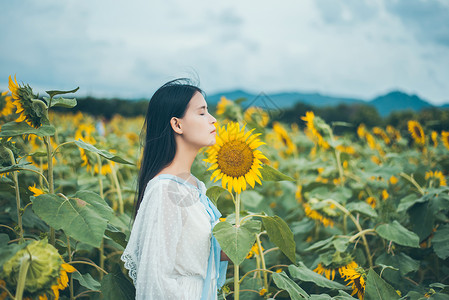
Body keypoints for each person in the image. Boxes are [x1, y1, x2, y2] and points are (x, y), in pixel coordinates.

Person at [121, 79, 228, 299]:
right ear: (177, 125)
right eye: (202, 113)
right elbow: (155, 281)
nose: (213, 119)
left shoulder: (195, 186)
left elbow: (200, 254)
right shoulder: (165, 191)